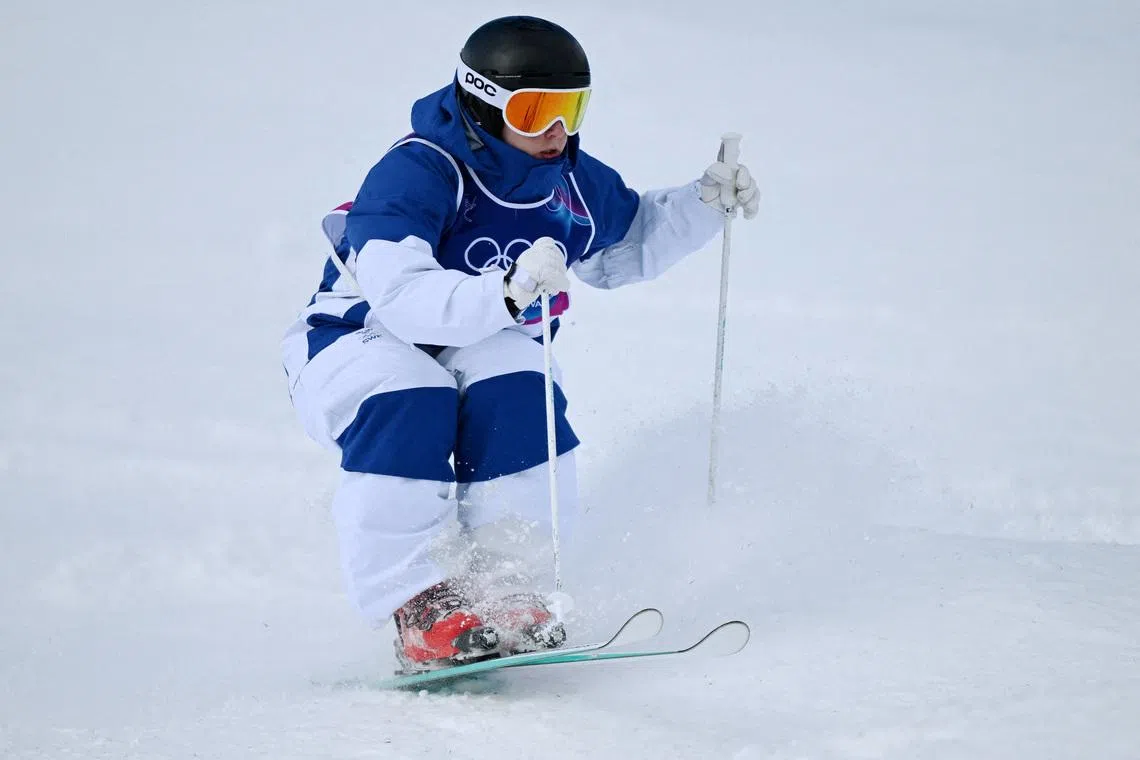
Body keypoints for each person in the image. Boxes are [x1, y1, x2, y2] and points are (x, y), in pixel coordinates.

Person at [280, 15, 759, 673]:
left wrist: (704, 205)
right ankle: (418, 603)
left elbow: (631, 243)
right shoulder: (418, 172)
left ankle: (507, 584)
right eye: (536, 113)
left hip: (478, 336)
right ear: (482, 104)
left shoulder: (565, 178)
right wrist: (500, 295)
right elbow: (401, 294)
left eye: (570, 109)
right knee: (411, 395)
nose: (557, 132)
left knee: (519, 385)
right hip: (359, 339)